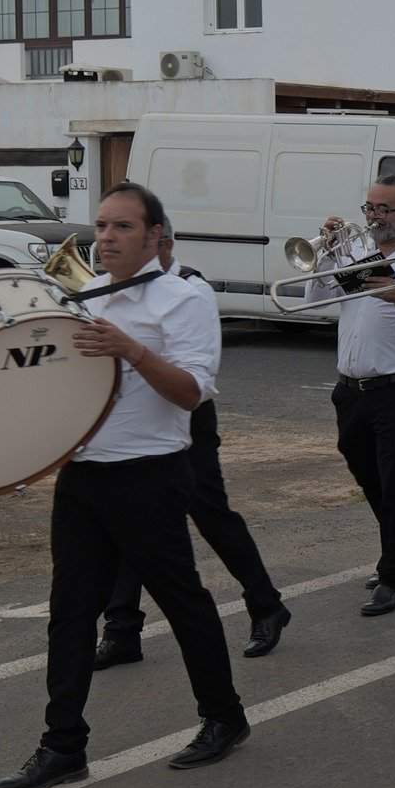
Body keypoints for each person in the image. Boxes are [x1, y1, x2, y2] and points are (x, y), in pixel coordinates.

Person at [0, 184, 247, 788]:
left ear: (156, 235)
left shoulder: (182, 300)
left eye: (122, 227)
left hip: (150, 475)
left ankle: (224, 716)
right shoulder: (77, 297)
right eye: (101, 226)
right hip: (82, 476)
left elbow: (191, 392)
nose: (105, 238)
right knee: (70, 615)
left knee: (182, 602)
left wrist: (130, 348)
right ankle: (62, 746)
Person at [94, 226, 289, 670]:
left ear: (163, 244)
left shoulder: (191, 289)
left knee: (210, 515)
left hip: (185, 413)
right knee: (127, 519)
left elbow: (195, 372)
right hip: (136, 417)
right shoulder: (120, 289)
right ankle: (122, 629)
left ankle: (266, 605)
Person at [308, 176, 395, 615]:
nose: (374, 217)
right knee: (367, 472)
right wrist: (326, 252)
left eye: (383, 209)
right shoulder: (352, 248)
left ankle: (393, 573)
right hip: (350, 389)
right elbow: (316, 298)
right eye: (369, 208)